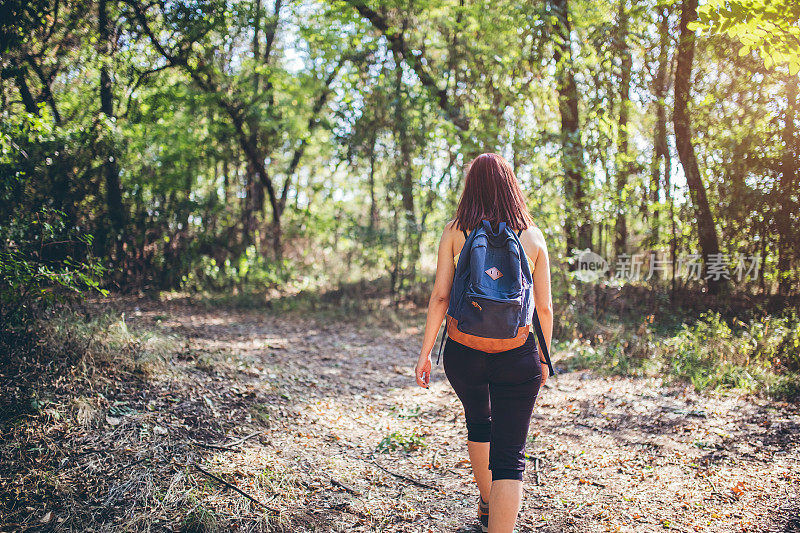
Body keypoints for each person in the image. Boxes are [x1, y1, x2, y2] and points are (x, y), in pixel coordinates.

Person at [414, 153, 553, 533]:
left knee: (479, 421)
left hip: (464, 353)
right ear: (511, 186)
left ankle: (488, 504)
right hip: (518, 354)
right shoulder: (533, 236)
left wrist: (425, 354)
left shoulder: (456, 230)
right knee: (510, 456)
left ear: (470, 187)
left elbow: (441, 298)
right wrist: (543, 359)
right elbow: (543, 307)